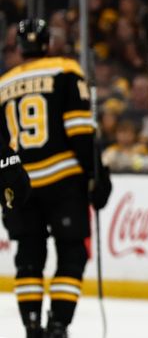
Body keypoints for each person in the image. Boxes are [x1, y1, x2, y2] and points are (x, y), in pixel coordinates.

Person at [0, 19, 112, 338]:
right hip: (63, 180)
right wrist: (96, 174)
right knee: (72, 253)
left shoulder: (3, 83)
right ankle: (58, 326)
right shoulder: (65, 69)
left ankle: (32, 327)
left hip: (19, 182)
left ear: (19, 48)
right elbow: (80, 130)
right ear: (47, 43)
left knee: (28, 258)